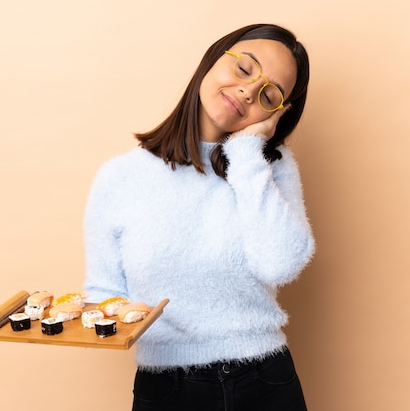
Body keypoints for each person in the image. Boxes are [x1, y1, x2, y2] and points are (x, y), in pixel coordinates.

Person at [83, 23, 315, 411]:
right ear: (214, 58)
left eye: (268, 94)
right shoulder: (119, 177)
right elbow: (103, 295)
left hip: (264, 381)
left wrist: (245, 154)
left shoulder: (269, 169)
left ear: (277, 113)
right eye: (244, 70)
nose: (247, 91)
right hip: (166, 387)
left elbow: (280, 265)